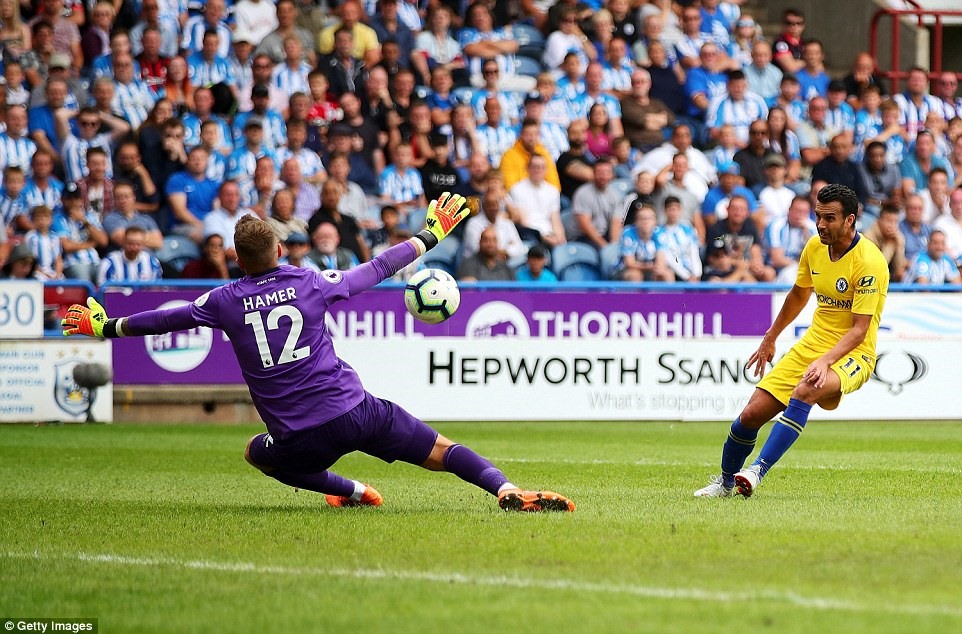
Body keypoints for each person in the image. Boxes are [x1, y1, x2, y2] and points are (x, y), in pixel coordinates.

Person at [61, 194, 574, 512]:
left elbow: (169, 317)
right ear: (280, 252)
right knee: (440, 449)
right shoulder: (310, 283)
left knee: (256, 453)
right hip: (356, 412)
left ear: (238, 260)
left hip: (300, 440)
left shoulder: (221, 301)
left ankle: (352, 491)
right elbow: (375, 269)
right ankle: (504, 489)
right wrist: (430, 233)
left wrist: (109, 325)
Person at [694, 184, 889, 498]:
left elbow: (859, 330)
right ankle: (726, 483)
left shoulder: (869, 262)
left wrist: (825, 361)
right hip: (813, 345)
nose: (821, 225)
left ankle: (756, 470)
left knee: (805, 390)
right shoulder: (814, 247)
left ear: (850, 220)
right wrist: (770, 337)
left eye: (829, 218)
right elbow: (799, 294)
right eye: (818, 216)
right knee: (750, 416)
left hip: (856, 353)